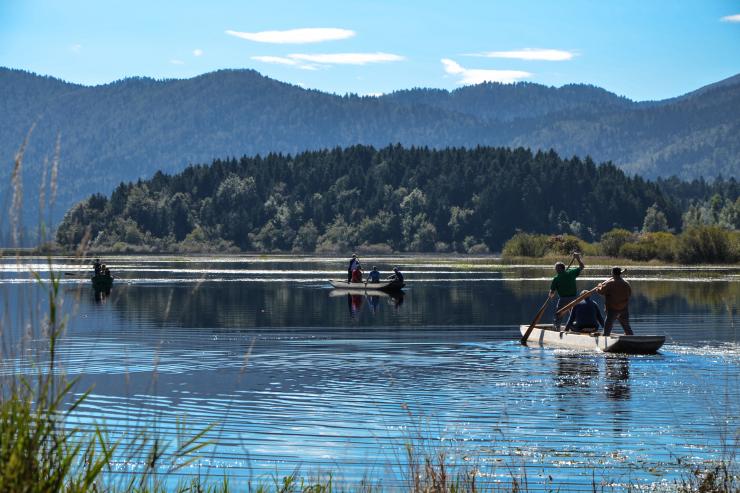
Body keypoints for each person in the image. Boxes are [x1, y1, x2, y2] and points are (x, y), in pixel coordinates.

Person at [549, 252, 585, 330]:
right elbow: (582, 266)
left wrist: (550, 295)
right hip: (573, 299)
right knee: (572, 314)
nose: (556, 270)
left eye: (557, 268)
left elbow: (552, 293)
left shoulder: (557, 278)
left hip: (567, 299)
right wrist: (578, 258)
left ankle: (558, 327)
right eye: (556, 268)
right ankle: (560, 327)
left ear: (562, 268)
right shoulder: (569, 274)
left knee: (559, 314)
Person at [597, 267, 634, 336]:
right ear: (620, 273)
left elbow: (600, 291)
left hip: (612, 309)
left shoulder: (610, 283)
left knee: (607, 329)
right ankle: (631, 338)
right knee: (627, 327)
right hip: (623, 309)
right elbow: (629, 294)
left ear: (612, 273)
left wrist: (599, 286)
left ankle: (605, 339)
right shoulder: (626, 283)